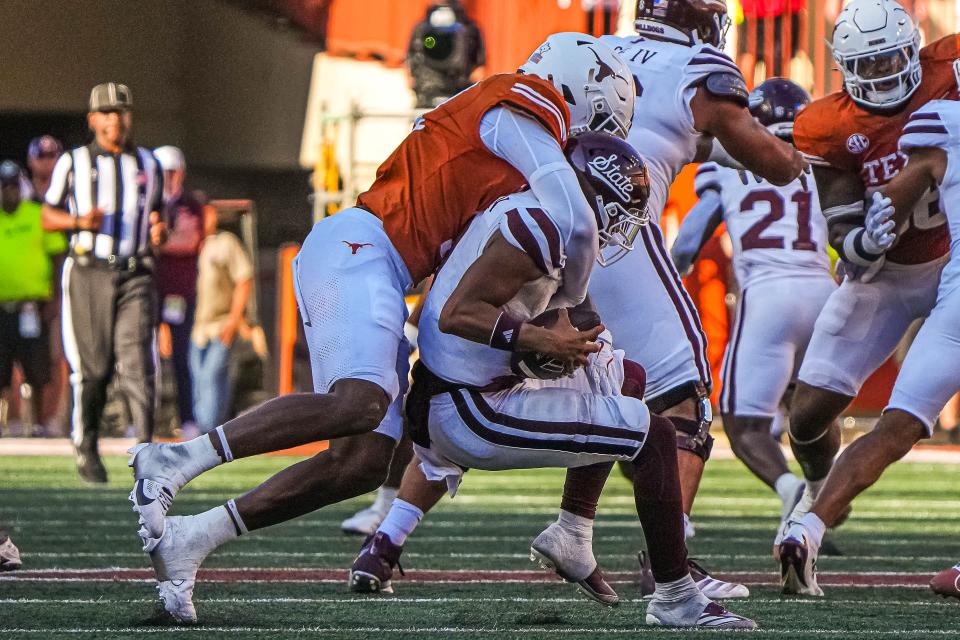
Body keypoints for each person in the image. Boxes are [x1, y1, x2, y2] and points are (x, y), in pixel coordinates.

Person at [128, 33, 634, 624]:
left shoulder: (510, 156)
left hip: (385, 269)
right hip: (362, 247)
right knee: (362, 402)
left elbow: (456, 283)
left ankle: (194, 538)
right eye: (596, 119)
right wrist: (566, 303)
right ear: (577, 86)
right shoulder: (519, 99)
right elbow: (570, 210)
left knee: (363, 461)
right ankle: (177, 459)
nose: (585, 138)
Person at [351, 132, 754, 628]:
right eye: (615, 211)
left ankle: (572, 531)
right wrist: (536, 342)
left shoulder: (547, 216)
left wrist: (577, 341)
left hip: (473, 382)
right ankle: (676, 596)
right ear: (588, 192)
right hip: (468, 405)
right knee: (655, 435)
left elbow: (580, 315)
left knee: (623, 376)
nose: (618, 228)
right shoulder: (539, 228)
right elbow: (459, 312)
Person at [515, 0, 804, 601]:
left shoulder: (604, 49)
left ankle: (568, 529)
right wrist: (806, 151)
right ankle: (669, 567)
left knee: (611, 379)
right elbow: (773, 163)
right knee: (684, 394)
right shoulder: (699, 67)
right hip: (617, 227)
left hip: (541, 223)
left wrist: (706, 146)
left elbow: (653, 131)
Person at [774, 1, 959, 592]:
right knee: (806, 415)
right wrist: (860, 240)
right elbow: (842, 231)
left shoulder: (946, 73)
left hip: (949, 260)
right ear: (842, 70)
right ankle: (821, 487)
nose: (880, 72)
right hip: (888, 278)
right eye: (866, 63)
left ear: (913, 51)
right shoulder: (828, 126)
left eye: (889, 58)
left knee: (901, 418)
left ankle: (814, 519)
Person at [670, 78, 834, 529]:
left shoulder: (728, 164)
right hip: (824, 293)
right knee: (813, 410)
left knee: (744, 427)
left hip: (767, 296)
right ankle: (821, 497)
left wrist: (666, 275)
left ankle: (791, 489)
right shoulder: (821, 162)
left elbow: (687, 244)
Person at [42, 82, 167, 482]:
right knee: (94, 369)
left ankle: (146, 450)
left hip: (134, 272)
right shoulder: (74, 162)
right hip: (89, 271)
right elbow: (47, 215)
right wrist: (79, 222)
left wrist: (160, 231)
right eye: (108, 113)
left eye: (122, 112)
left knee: (137, 363)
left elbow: (158, 214)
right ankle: (86, 444)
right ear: (93, 120)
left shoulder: (149, 163)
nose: (116, 120)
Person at [0, 160, 67, 434]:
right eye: (4, 187)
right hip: (2, 306)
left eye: (14, 186)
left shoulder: (37, 214)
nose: (9, 192)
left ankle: (38, 423)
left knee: (37, 367)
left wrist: (55, 297)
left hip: (33, 306)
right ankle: (10, 422)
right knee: (2, 367)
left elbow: (57, 256)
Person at [154, 145, 204, 436]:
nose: (169, 177)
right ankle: (144, 418)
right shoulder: (148, 202)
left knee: (181, 356)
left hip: (179, 292)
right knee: (144, 357)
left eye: (173, 171)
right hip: (149, 289)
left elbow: (190, 239)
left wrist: (160, 239)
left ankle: (187, 418)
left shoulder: (189, 203)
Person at [189, 208, 254, 434]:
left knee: (211, 377)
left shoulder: (225, 243)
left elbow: (244, 279)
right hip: (194, 327)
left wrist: (235, 320)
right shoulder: (188, 245)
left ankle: (207, 433)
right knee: (197, 379)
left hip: (221, 323)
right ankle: (213, 431)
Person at [407, 0, 485, 108]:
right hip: (427, 86)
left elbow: (479, 65)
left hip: (459, 85)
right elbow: (411, 57)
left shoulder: (469, 28)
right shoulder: (420, 29)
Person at [24, 136, 63, 204]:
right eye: (40, 156)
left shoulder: (68, 192)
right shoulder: (21, 193)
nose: (46, 161)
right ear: (29, 160)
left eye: (51, 155)